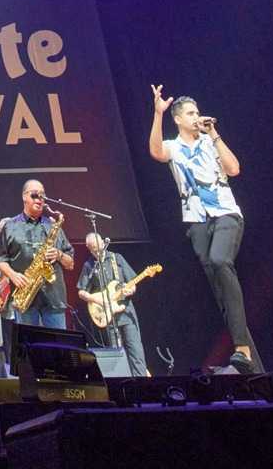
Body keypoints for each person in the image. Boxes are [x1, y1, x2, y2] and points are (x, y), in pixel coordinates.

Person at [149, 83, 261, 373]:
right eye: (190, 113)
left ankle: (242, 349)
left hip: (225, 213)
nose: (196, 117)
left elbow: (234, 169)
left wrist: (214, 134)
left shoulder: (211, 141)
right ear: (178, 119)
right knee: (221, 294)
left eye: (197, 112)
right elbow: (156, 152)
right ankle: (250, 362)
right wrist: (158, 114)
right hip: (197, 220)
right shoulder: (174, 147)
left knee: (220, 260)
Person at [0, 178, 74, 331]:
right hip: (25, 298)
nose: (39, 199)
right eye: (34, 195)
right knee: (29, 345)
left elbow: (70, 263)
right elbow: (1, 260)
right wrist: (13, 275)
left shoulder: (53, 225)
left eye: (42, 196)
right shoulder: (10, 226)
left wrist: (59, 254)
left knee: (58, 344)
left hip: (54, 298)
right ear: (24, 197)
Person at [76, 232, 149, 376]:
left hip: (126, 312)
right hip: (108, 317)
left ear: (103, 243)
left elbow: (132, 283)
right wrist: (96, 299)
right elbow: (81, 292)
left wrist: (131, 290)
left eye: (99, 248)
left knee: (135, 351)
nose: (98, 252)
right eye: (94, 250)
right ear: (89, 248)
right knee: (116, 355)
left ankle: (141, 381)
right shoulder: (89, 265)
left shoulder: (117, 258)